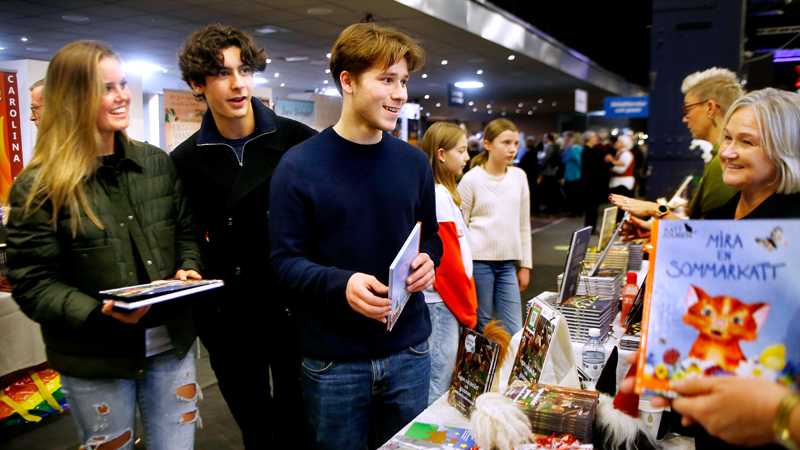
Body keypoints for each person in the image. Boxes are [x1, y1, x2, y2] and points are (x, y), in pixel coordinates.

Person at [6, 41, 202, 450]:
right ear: (73, 98)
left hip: (172, 346)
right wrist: (98, 314)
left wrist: (187, 266)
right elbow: (33, 283)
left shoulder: (155, 163)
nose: (122, 96)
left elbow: (185, 230)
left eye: (123, 84)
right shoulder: (39, 186)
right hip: (95, 356)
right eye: (106, 88)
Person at [268, 23, 442, 450]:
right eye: (386, 80)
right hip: (334, 362)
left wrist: (428, 262)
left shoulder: (415, 164)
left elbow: (431, 237)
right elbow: (283, 262)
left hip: (410, 352)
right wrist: (341, 283)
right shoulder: (298, 166)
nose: (400, 94)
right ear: (347, 81)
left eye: (403, 81)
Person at [619, 88, 800, 449]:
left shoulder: (791, 227)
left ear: (785, 149)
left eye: (747, 142)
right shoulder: (721, 216)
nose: (728, 152)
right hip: (711, 411)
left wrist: (782, 414)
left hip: (768, 427)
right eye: (729, 137)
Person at [170, 24, 317, 447]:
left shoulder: (299, 143)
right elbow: (187, 235)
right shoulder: (184, 161)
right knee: (256, 430)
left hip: (294, 309)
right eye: (221, 73)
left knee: (301, 427)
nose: (238, 84)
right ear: (197, 84)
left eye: (245, 70)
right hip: (229, 317)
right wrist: (187, 267)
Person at [610, 68, 744, 220]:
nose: (684, 119)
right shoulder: (724, 157)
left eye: (687, 109)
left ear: (710, 108)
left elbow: (708, 235)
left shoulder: (723, 161)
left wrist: (656, 210)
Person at [419, 122, 477, 406]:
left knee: (441, 378)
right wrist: (467, 309)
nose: (467, 157)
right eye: (462, 150)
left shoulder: (444, 193)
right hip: (442, 303)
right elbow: (448, 264)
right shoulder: (439, 195)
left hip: (445, 303)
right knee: (438, 383)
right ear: (441, 154)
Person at [458, 118, 531, 334]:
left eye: (516, 143)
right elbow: (460, 228)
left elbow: (524, 224)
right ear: (488, 145)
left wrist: (525, 265)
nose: (512, 149)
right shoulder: (471, 179)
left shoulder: (519, 176)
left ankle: (506, 367)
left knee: (514, 327)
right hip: (479, 262)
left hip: (508, 263)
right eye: (506, 142)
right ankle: (485, 368)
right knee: (482, 325)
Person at [580, 130, 612, 231]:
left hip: (591, 182)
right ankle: (590, 227)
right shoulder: (588, 151)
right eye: (594, 137)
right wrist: (606, 162)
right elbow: (594, 167)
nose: (596, 139)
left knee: (592, 207)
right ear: (589, 139)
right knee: (591, 207)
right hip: (591, 183)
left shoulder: (590, 150)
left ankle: (591, 227)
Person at [608, 135, 635, 222]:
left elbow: (621, 170)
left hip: (623, 183)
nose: (616, 143)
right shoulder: (620, 153)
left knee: (621, 208)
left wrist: (611, 164)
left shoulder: (626, 154)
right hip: (618, 182)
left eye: (618, 141)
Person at [539, 133, 562, 214]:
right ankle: (553, 207)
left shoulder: (548, 147)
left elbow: (545, 158)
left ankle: (549, 208)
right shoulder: (557, 147)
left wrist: (541, 170)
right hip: (555, 171)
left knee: (548, 191)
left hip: (548, 171)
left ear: (548, 138)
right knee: (553, 190)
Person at [518, 136, 541, 215]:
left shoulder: (529, 154)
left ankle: (532, 210)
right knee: (534, 192)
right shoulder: (535, 152)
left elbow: (522, 165)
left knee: (531, 193)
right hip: (534, 174)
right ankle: (535, 209)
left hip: (529, 175)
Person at [562, 131, 583, 216]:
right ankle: (577, 210)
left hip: (573, 174)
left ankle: (574, 211)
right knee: (576, 193)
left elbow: (578, 161)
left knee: (572, 193)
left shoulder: (574, 149)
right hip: (575, 173)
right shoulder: (579, 148)